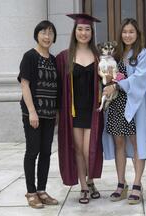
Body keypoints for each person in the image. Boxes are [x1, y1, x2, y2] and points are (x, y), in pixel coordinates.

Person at [102, 18, 146, 205]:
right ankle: (121, 184)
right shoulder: (115, 54)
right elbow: (108, 77)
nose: (128, 35)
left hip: (135, 104)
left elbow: (140, 78)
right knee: (119, 143)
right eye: (124, 32)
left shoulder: (144, 54)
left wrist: (116, 86)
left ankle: (137, 184)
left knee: (137, 142)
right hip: (116, 104)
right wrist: (106, 80)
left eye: (131, 31)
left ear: (137, 34)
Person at [56, 13, 103, 204]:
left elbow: (107, 81)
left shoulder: (100, 57)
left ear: (92, 33)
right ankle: (84, 186)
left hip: (92, 111)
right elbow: (58, 85)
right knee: (77, 150)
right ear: (74, 32)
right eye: (80, 29)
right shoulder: (64, 57)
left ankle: (91, 180)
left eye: (87, 29)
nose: (83, 33)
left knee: (88, 149)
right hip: (73, 112)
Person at [18, 20, 59, 209]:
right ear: (37, 35)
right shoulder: (30, 56)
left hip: (50, 115)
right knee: (32, 151)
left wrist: (57, 111)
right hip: (33, 114)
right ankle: (31, 192)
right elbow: (24, 84)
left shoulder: (53, 59)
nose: (47, 36)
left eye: (50, 33)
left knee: (45, 153)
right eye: (43, 32)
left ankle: (42, 190)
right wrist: (32, 112)